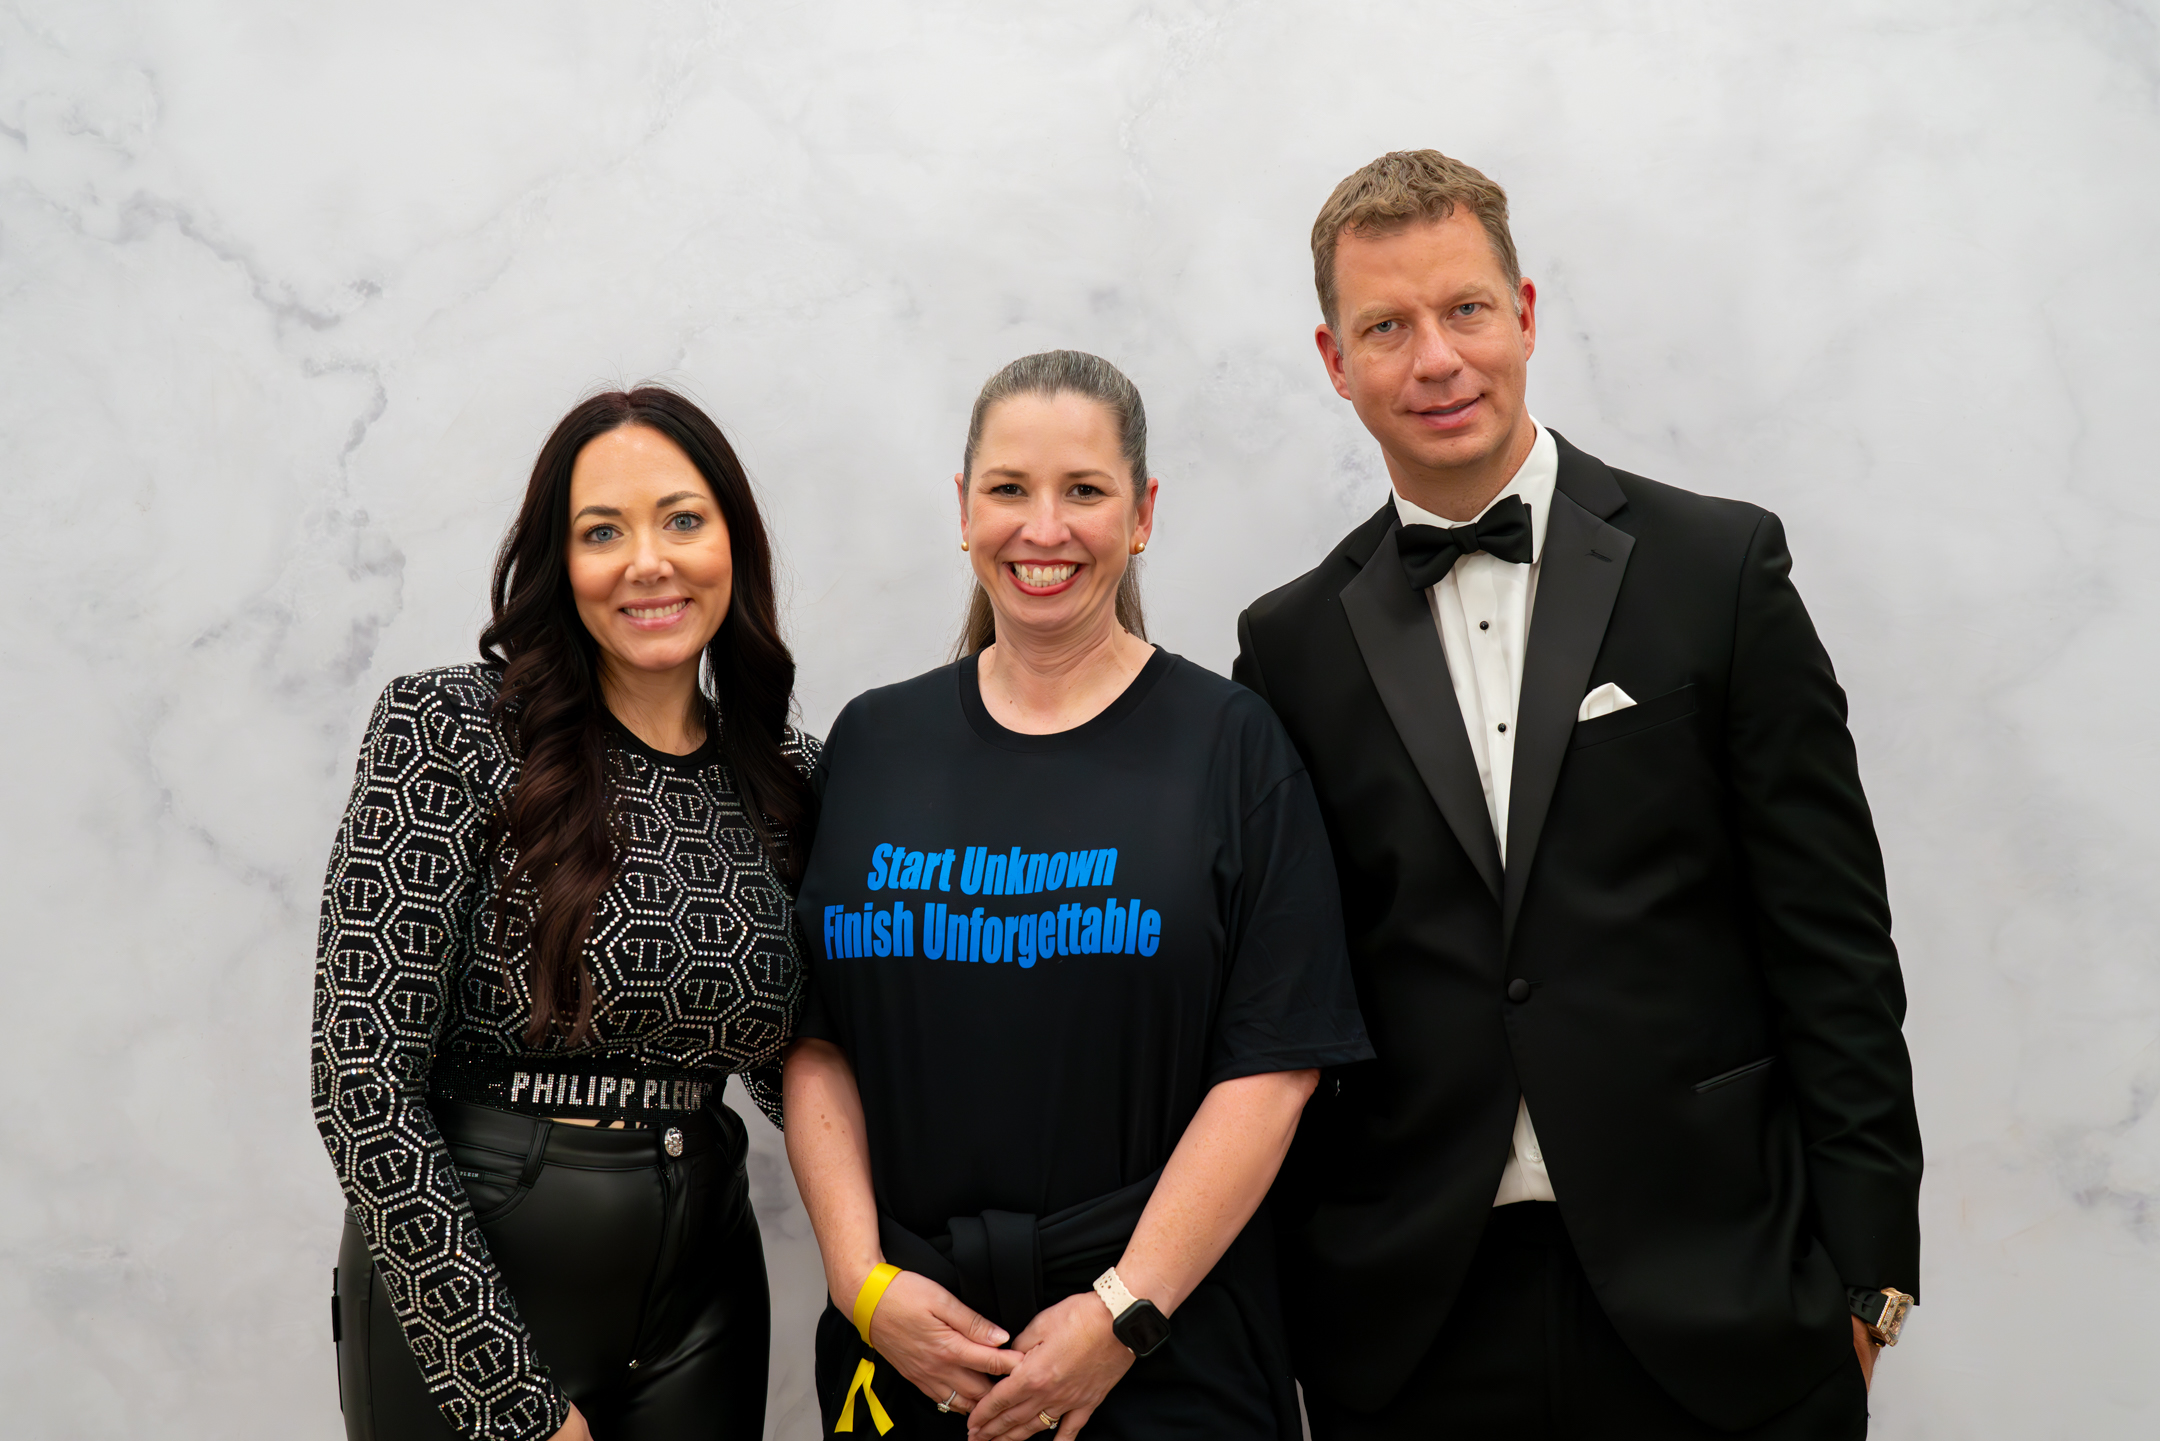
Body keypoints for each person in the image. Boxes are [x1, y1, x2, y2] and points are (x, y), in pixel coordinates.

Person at [1235, 150, 1924, 1438]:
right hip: (1415, 1330)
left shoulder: (1719, 567)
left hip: (1724, 1298)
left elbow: (1834, 943)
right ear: (1334, 361)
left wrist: (1871, 1282)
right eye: (1386, 327)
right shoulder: (1289, 644)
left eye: (1466, 309)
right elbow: (1290, 998)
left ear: (1526, 314)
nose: (1437, 359)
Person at [783, 350, 1372, 1441]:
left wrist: (1122, 1311)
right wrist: (861, 1283)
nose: (1042, 528)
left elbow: (1277, 1066)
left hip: (1168, 1346)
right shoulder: (873, 742)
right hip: (909, 1347)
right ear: (963, 510)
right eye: (1009, 488)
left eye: (1084, 490)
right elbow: (818, 1044)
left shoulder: (1231, 744)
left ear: (1141, 515)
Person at [312, 387, 818, 1441]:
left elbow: (805, 1068)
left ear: (734, 540)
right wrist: (511, 1401)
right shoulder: (450, 729)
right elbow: (361, 1081)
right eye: (602, 531)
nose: (649, 561)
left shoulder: (787, 779)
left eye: (682, 519)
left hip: (706, 1297)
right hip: (474, 1290)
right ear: (559, 561)